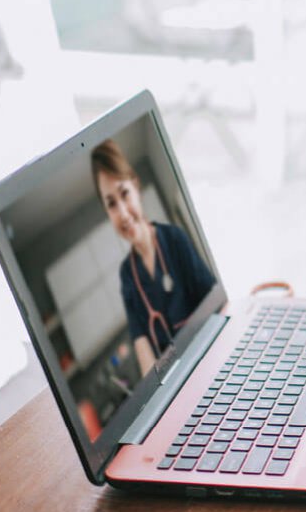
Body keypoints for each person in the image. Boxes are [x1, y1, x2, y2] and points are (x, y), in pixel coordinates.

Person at [91, 139, 216, 376]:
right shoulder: (127, 274)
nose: (124, 214)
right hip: (174, 379)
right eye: (111, 204)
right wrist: (158, 391)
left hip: (208, 357)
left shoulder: (174, 239)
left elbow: (216, 303)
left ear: (136, 188)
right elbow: (142, 345)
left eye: (124, 194)